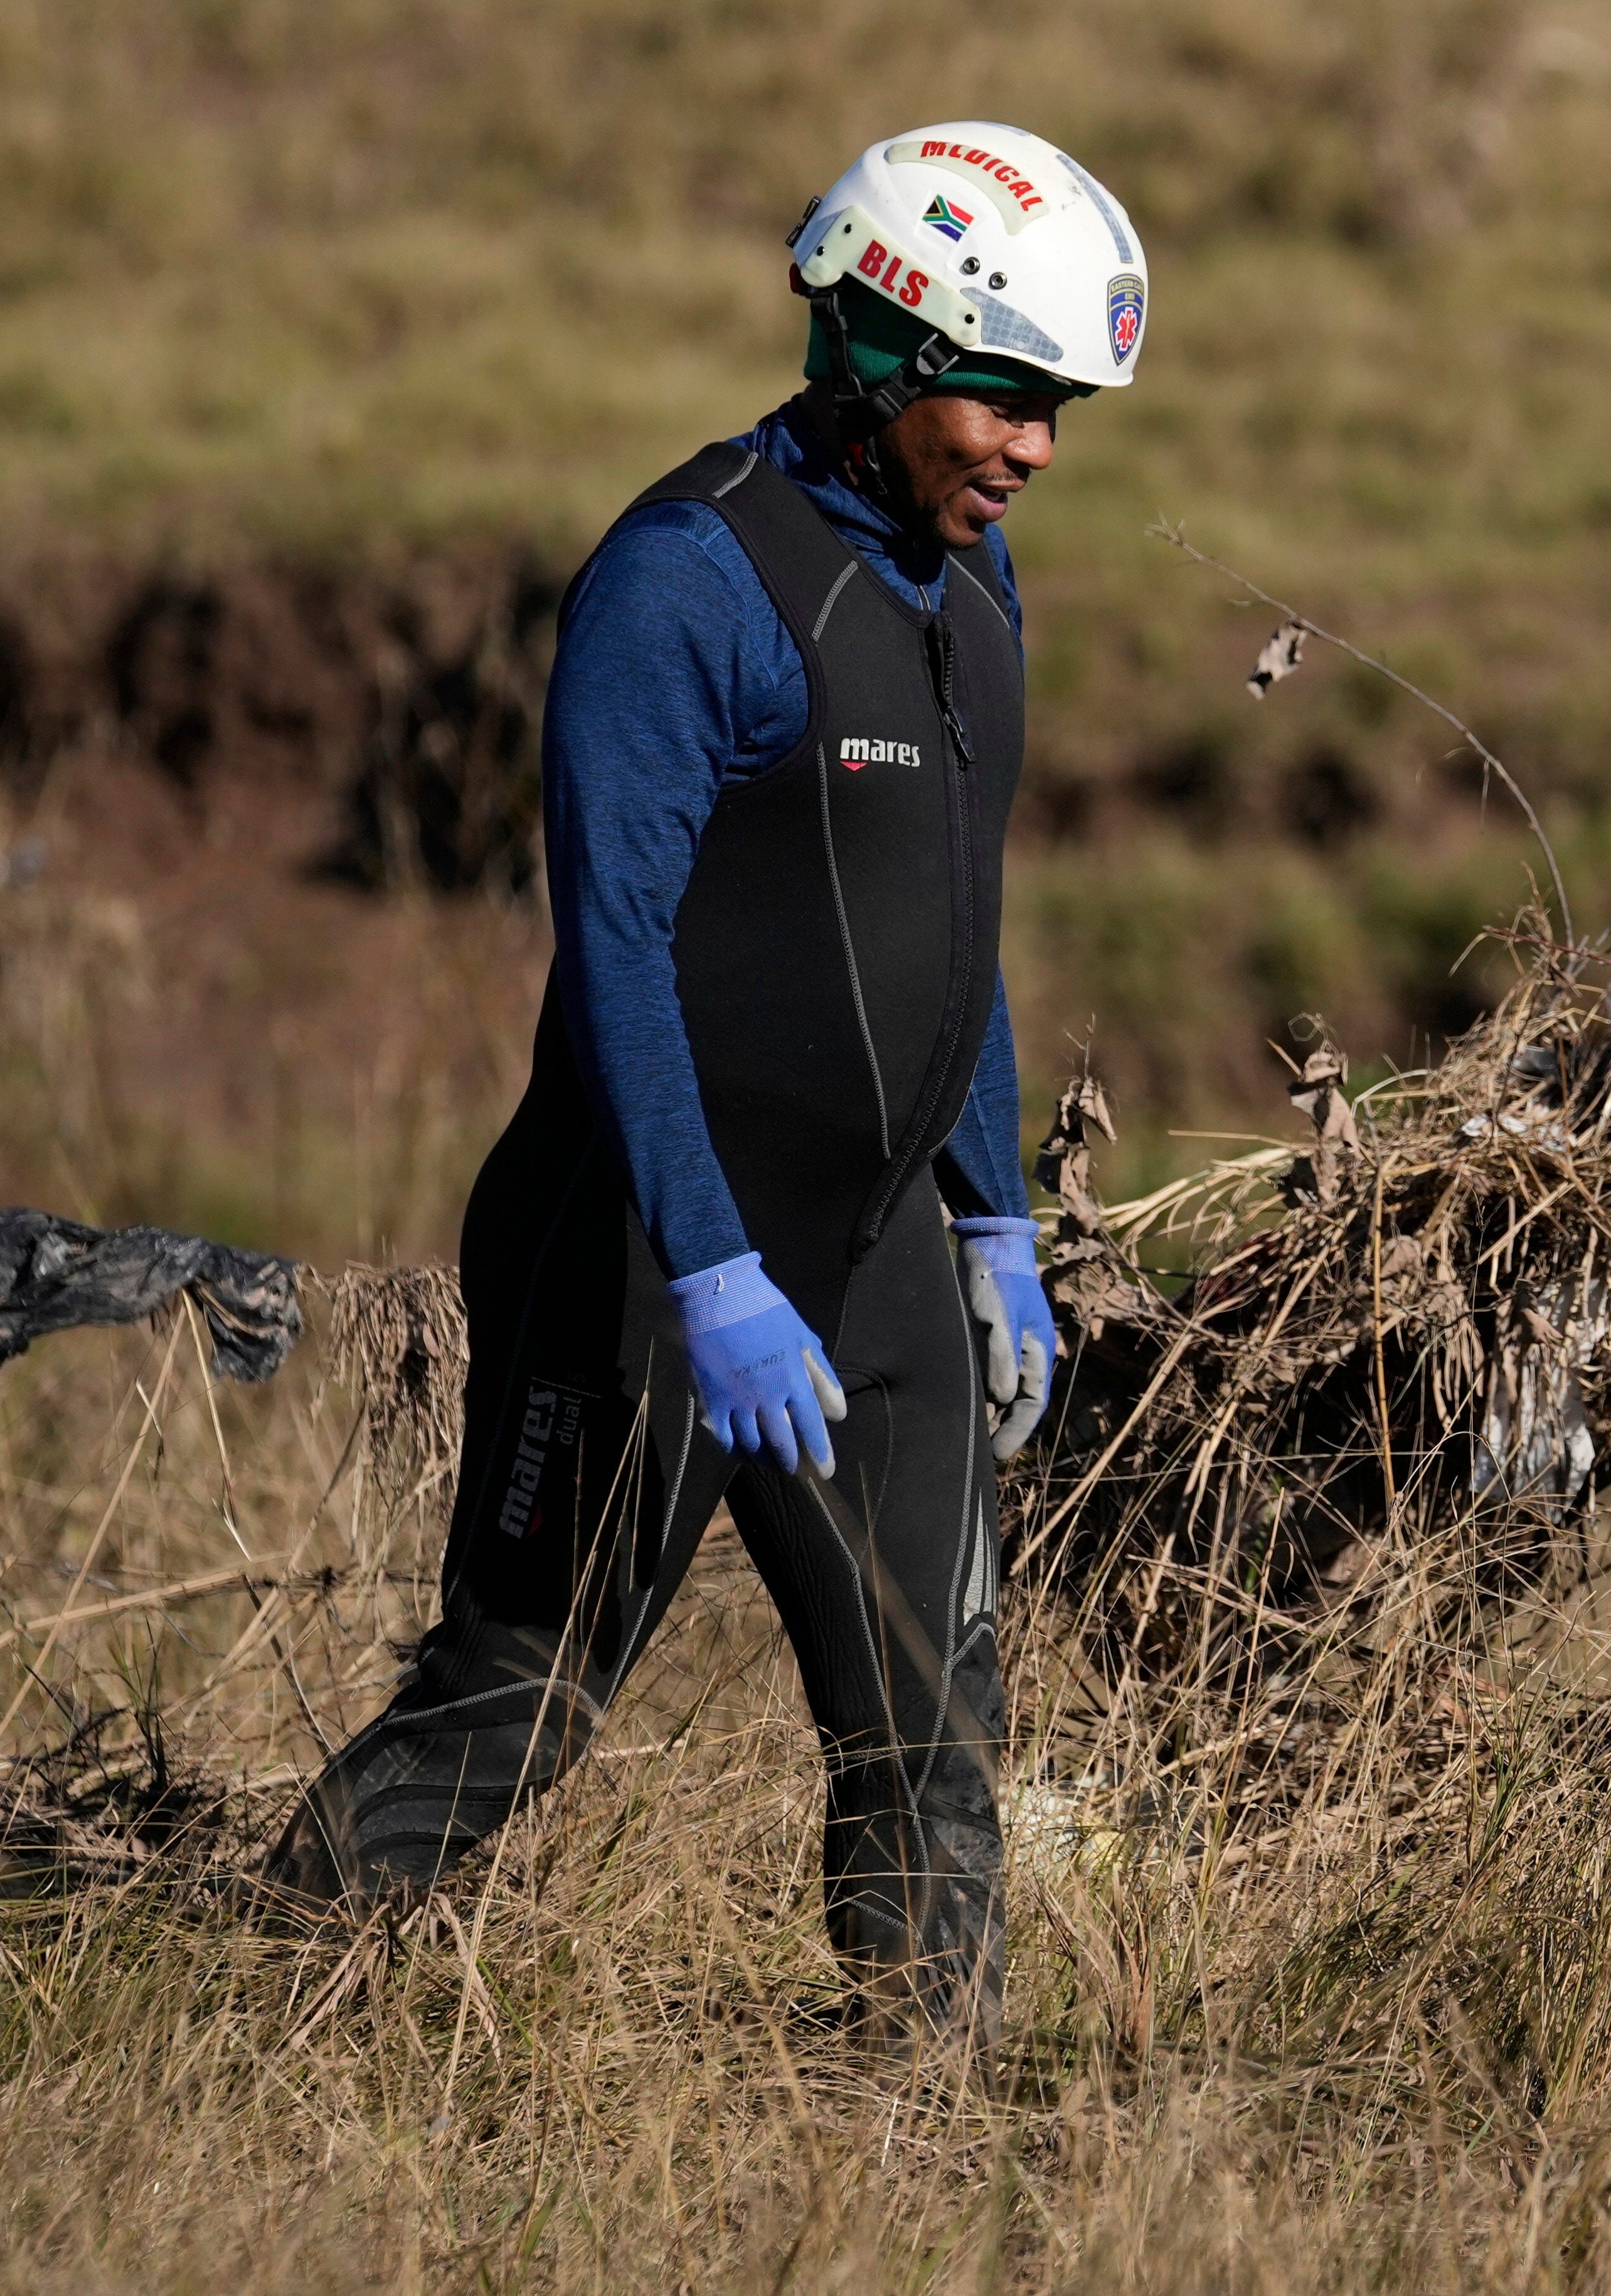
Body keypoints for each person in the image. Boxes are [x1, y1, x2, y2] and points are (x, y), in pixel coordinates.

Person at [267, 122, 1149, 2035]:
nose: (1037, 449)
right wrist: (709, 1270)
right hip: (651, 1260)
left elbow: (948, 937)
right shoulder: (685, 585)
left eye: (1060, 411)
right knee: (514, 1711)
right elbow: (618, 959)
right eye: (1009, 399)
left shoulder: (974, 590)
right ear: (894, 345)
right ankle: (229, 2011)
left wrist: (996, 1221)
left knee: (937, 1723)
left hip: (871, 1245)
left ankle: (922, 2132)